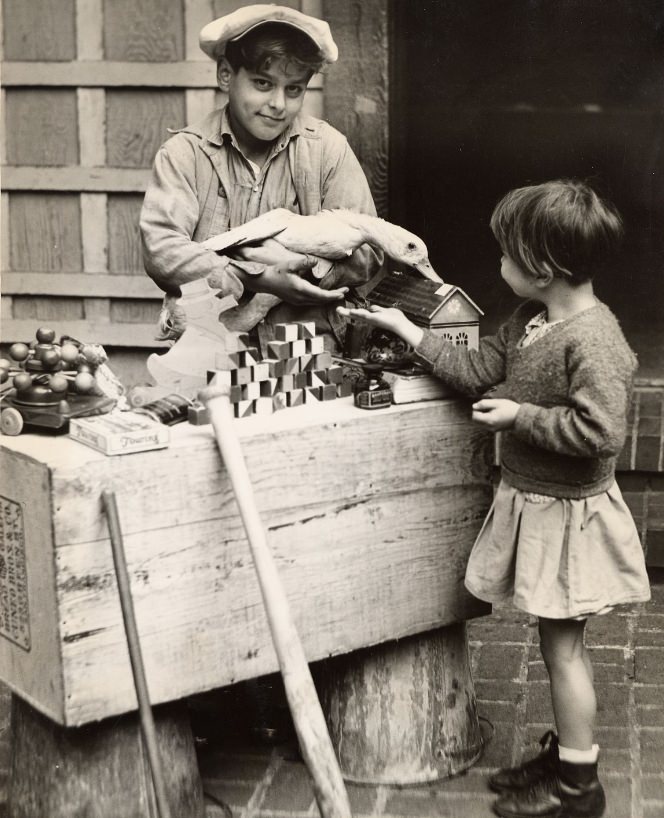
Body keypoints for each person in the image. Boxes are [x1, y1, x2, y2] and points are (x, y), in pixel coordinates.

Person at [337, 179, 651, 818]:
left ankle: (578, 790)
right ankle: (569, 755)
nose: (498, 263)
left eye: (507, 253)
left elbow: (600, 433)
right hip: (540, 503)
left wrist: (520, 418)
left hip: (572, 517)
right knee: (552, 643)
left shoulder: (593, 340)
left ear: (542, 266)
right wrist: (409, 331)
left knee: (563, 648)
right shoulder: (530, 322)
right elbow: (480, 372)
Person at [140, 4, 381, 353]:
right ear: (225, 74)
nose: (278, 104)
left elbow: (368, 252)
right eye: (262, 83)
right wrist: (253, 275)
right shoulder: (183, 154)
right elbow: (163, 251)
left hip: (311, 343)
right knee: (215, 405)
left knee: (310, 405)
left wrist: (304, 273)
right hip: (212, 341)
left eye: (294, 89)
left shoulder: (327, 149)